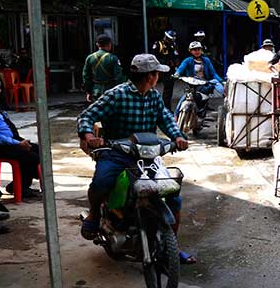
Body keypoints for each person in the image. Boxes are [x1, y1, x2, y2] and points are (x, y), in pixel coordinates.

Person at [77, 54, 194, 263]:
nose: (158, 77)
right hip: (117, 153)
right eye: (157, 73)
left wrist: (177, 136)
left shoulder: (154, 96)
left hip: (148, 155)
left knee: (173, 195)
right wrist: (88, 135)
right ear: (150, 76)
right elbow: (87, 116)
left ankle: (171, 248)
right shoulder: (117, 94)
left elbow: (166, 118)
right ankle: (94, 214)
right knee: (102, 182)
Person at [81, 34, 124, 103]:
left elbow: (86, 77)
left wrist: (88, 91)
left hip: (96, 91)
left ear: (97, 44)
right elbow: (118, 77)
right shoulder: (113, 58)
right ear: (109, 44)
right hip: (110, 91)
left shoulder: (90, 58)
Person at [152, 30, 180, 109]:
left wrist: (176, 64)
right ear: (166, 37)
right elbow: (154, 57)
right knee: (155, 89)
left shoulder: (172, 45)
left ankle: (167, 107)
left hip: (170, 70)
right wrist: (166, 62)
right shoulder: (158, 44)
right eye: (169, 39)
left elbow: (176, 55)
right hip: (161, 70)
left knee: (169, 90)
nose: (170, 41)